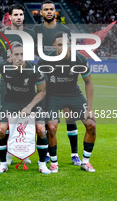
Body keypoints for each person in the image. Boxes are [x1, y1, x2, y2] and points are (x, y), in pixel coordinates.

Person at [37, 33, 97, 173]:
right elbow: (38, 83)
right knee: (51, 128)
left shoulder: (80, 59)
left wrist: (89, 108)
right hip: (53, 96)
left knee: (91, 124)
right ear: (54, 46)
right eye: (60, 45)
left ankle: (86, 161)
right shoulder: (45, 59)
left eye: (66, 44)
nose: (63, 47)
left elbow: (88, 82)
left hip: (73, 94)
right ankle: (53, 162)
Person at [33, 0, 81, 166]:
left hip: (63, 76)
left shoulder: (64, 29)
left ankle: (74, 154)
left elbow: (70, 49)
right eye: (45, 9)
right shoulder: (36, 30)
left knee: (69, 116)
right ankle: (47, 153)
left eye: (51, 9)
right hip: (45, 76)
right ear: (41, 12)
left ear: (55, 11)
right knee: (49, 119)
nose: (48, 12)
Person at [0, 42, 51, 174]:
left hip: (30, 103)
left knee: (41, 129)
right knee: (0, 130)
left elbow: (42, 91)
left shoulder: (35, 70)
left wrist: (29, 107)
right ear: (10, 56)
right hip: (10, 102)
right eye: (16, 54)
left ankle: (42, 164)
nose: (19, 57)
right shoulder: (3, 66)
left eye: (22, 54)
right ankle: (3, 164)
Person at [0, 4, 36, 166]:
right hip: (7, 80)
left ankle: (23, 150)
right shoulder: (2, 34)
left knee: (25, 117)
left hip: (26, 80)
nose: (19, 17)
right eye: (16, 14)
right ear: (10, 17)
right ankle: (8, 152)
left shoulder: (31, 34)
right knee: (7, 118)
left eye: (21, 14)